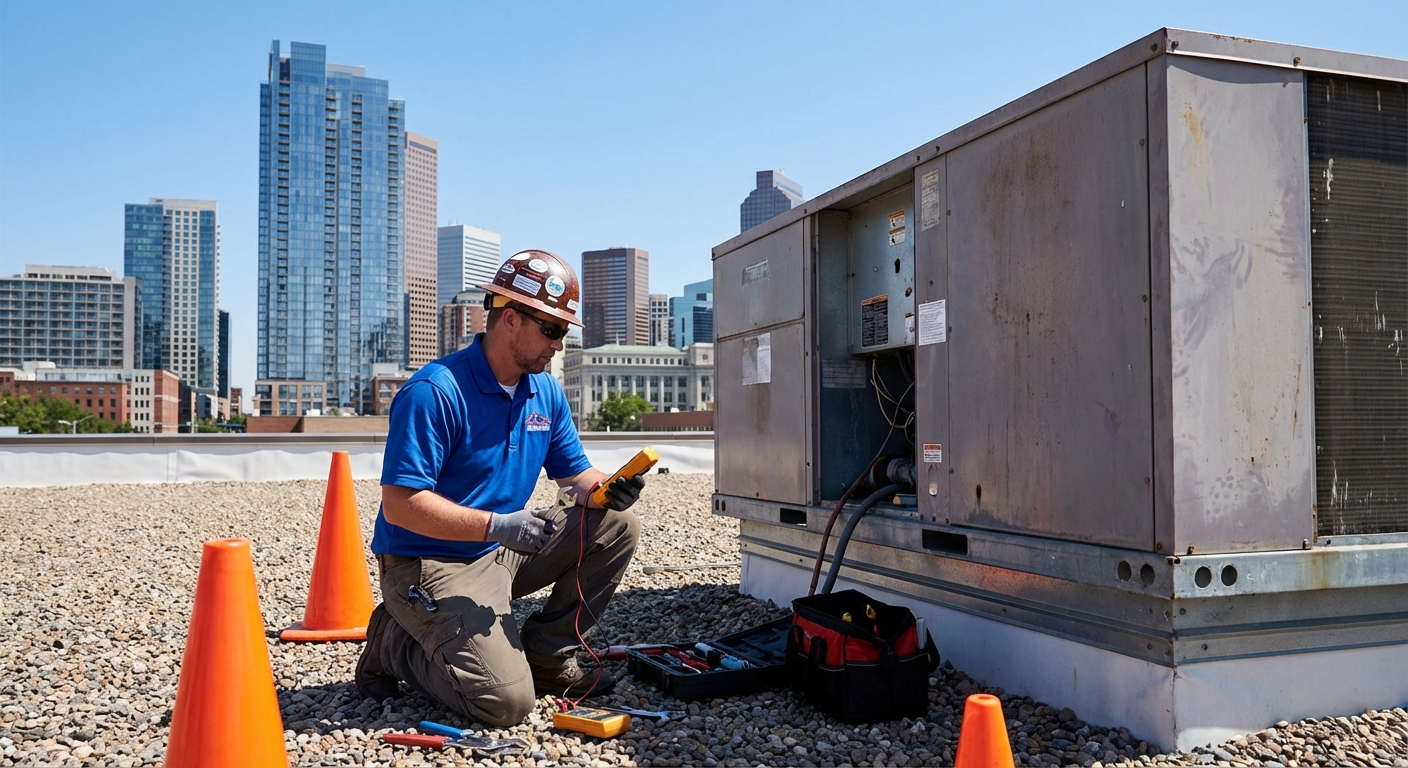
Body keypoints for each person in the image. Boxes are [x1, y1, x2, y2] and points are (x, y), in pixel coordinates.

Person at [355, 249, 647, 727]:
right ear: (510, 319)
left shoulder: (544, 391)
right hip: (429, 562)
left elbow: (575, 475)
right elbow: (402, 505)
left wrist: (609, 488)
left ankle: (549, 658)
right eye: (551, 330)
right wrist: (495, 525)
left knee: (617, 525)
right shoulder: (435, 392)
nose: (558, 344)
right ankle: (396, 644)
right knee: (505, 704)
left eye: (564, 332)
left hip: (502, 547)